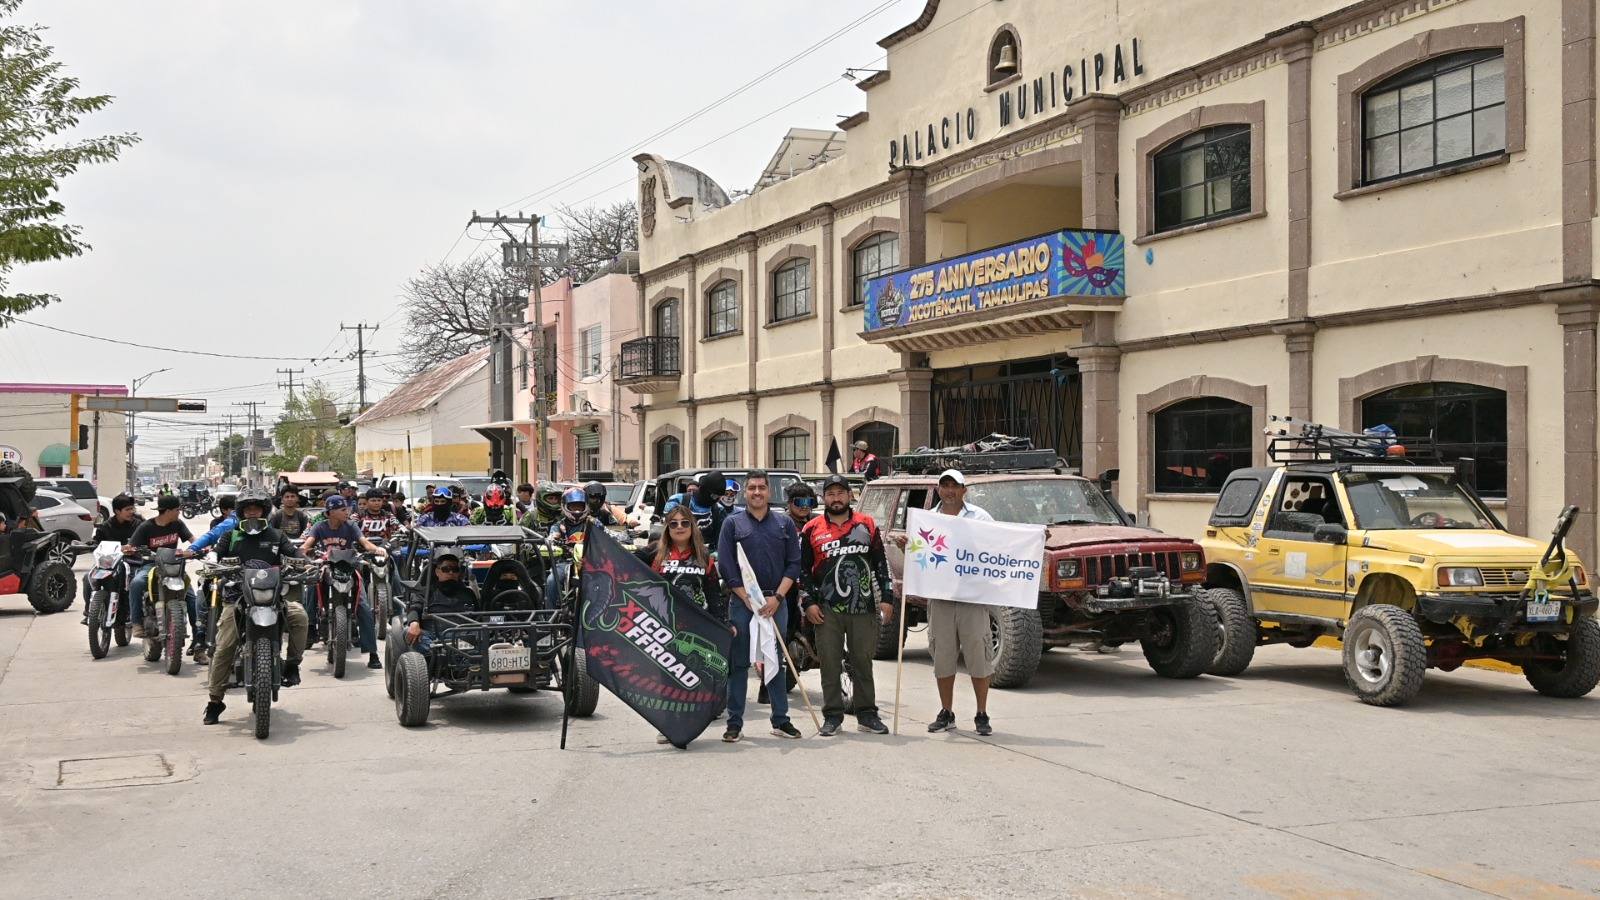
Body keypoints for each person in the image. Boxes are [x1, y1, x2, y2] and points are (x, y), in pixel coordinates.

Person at [898, 469, 996, 737]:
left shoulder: (980, 517)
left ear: (964, 490)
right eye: (945, 485)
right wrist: (906, 546)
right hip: (940, 599)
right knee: (943, 657)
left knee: (978, 656)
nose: (950, 490)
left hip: (972, 599)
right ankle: (946, 711)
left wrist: (1035, 541)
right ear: (938, 489)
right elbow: (920, 555)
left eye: (955, 485)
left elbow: (1001, 546)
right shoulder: (927, 520)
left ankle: (981, 713)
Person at [200, 492, 308, 725]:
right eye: (247, 508)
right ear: (241, 512)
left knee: (299, 615)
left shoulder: (276, 535)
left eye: (256, 508)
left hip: (272, 598)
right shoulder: (230, 535)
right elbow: (216, 552)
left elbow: (294, 553)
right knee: (224, 645)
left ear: (264, 511)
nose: (252, 512)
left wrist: (306, 562)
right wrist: (212, 560)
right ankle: (215, 701)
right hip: (236, 598)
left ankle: (292, 665)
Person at [800, 475, 894, 736]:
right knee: (830, 663)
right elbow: (802, 571)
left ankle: (867, 715)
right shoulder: (811, 528)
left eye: (841, 492)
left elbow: (881, 564)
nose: (836, 498)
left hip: (863, 608)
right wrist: (808, 602)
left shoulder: (867, 524)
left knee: (862, 662)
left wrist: (887, 598)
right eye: (831, 494)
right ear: (824, 498)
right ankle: (832, 716)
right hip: (826, 609)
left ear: (850, 496)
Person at [716, 470, 803, 742]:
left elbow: (794, 564)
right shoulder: (732, 524)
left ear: (769, 491)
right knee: (739, 663)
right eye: (752, 487)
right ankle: (734, 723)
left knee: (776, 660)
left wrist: (778, 598)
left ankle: (781, 720)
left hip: (776, 604)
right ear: (745, 492)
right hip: (743, 603)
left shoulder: (784, 524)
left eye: (761, 487)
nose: (756, 492)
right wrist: (746, 597)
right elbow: (726, 566)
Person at [636, 504, 730, 744]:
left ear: (692, 527)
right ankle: (668, 724)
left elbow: (713, 594)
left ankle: (690, 722)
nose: (679, 527)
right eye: (674, 523)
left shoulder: (704, 556)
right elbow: (624, 565)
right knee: (668, 677)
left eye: (685, 523)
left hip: (697, 628)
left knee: (694, 676)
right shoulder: (655, 552)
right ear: (667, 527)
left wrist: (722, 624)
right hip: (665, 627)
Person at [300, 496, 387, 669]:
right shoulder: (319, 527)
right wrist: (300, 554)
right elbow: (307, 544)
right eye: (342, 510)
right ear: (331, 512)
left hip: (348, 568)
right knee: (311, 588)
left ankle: (372, 653)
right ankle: (310, 628)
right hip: (326, 567)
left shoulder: (351, 526)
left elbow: (364, 543)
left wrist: (377, 549)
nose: (346, 512)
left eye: (346, 509)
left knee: (363, 606)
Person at [125, 495, 199, 643]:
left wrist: (198, 548)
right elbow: (131, 546)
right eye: (177, 509)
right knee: (136, 583)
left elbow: (193, 540)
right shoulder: (146, 526)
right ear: (168, 511)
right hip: (151, 565)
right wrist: (129, 549)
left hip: (174, 566)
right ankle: (136, 623)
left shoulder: (178, 524)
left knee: (191, 598)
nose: (179, 512)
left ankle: (198, 640)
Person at [401, 552, 478, 652]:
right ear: (437, 572)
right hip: (435, 638)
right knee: (408, 631)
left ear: (459, 573)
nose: (451, 572)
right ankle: (440, 653)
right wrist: (414, 623)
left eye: (455, 569)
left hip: (465, 637)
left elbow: (479, 616)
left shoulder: (468, 593)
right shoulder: (426, 592)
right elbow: (415, 608)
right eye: (446, 569)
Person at [84, 494, 142, 624]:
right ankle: (89, 612)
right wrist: (91, 545)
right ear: (117, 511)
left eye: (132, 508)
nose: (131, 512)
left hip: (132, 562)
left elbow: (147, 540)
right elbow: (96, 543)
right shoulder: (105, 526)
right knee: (87, 578)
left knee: (135, 582)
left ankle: (132, 613)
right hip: (108, 563)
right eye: (127, 509)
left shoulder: (139, 525)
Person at [543, 487, 591, 605]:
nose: (577, 510)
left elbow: (607, 535)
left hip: (591, 562)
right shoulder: (559, 526)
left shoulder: (593, 523)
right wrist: (553, 539)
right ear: (565, 506)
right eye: (573, 506)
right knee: (551, 581)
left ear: (586, 506)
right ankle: (550, 614)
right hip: (565, 562)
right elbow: (551, 537)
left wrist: (623, 536)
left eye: (580, 506)